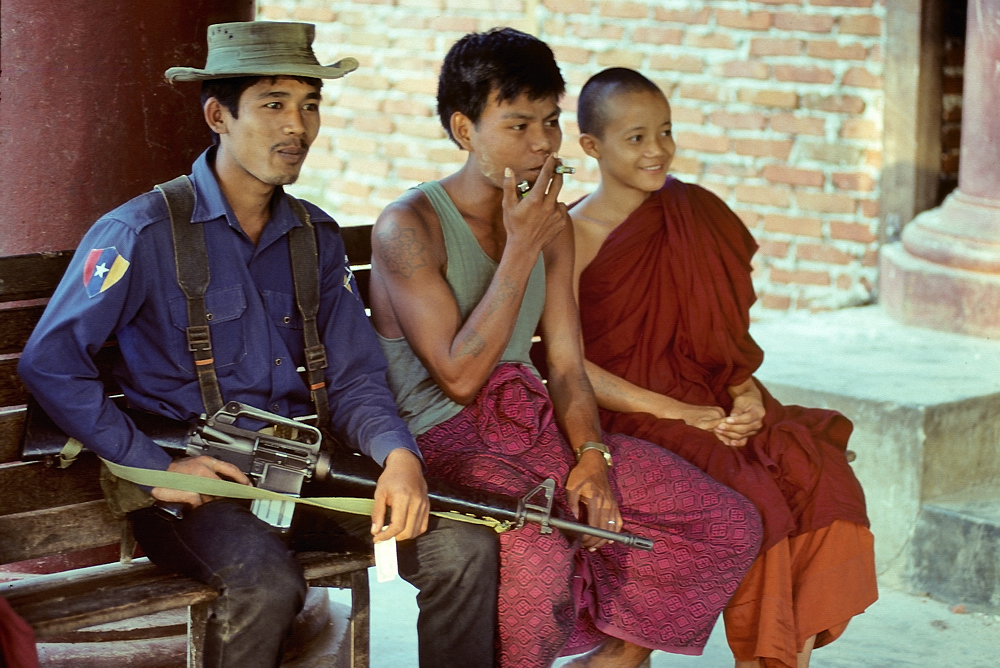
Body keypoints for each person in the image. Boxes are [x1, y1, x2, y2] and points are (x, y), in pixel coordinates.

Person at [18, 21, 497, 668]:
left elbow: (356, 378)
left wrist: (398, 457)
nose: (297, 126)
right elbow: (51, 362)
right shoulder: (141, 232)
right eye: (273, 104)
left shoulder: (313, 238)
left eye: (310, 104)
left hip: (305, 473)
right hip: (198, 490)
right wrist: (152, 464)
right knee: (267, 584)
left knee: (464, 546)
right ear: (218, 114)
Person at [368, 28, 762, 668]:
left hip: (535, 430)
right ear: (465, 130)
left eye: (550, 122)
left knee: (724, 522)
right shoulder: (408, 227)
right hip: (442, 442)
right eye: (518, 125)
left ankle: (606, 660)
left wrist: (592, 454)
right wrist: (520, 248)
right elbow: (460, 378)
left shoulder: (550, 225)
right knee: (539, 548)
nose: (543, 143)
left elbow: (567, 365)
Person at [569, 67, 878, 668]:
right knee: (758, 502)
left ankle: (787, 652)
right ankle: (768, 653)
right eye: (635, 138)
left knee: (821, 478)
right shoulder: (573, 235)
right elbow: (565, 365)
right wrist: (679, 411)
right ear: (591, 146)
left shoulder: (695, 213)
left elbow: (722, 338)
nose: (657, 150)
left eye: (666, 132)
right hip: (630, 414)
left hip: (707, 399)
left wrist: (746, 397)